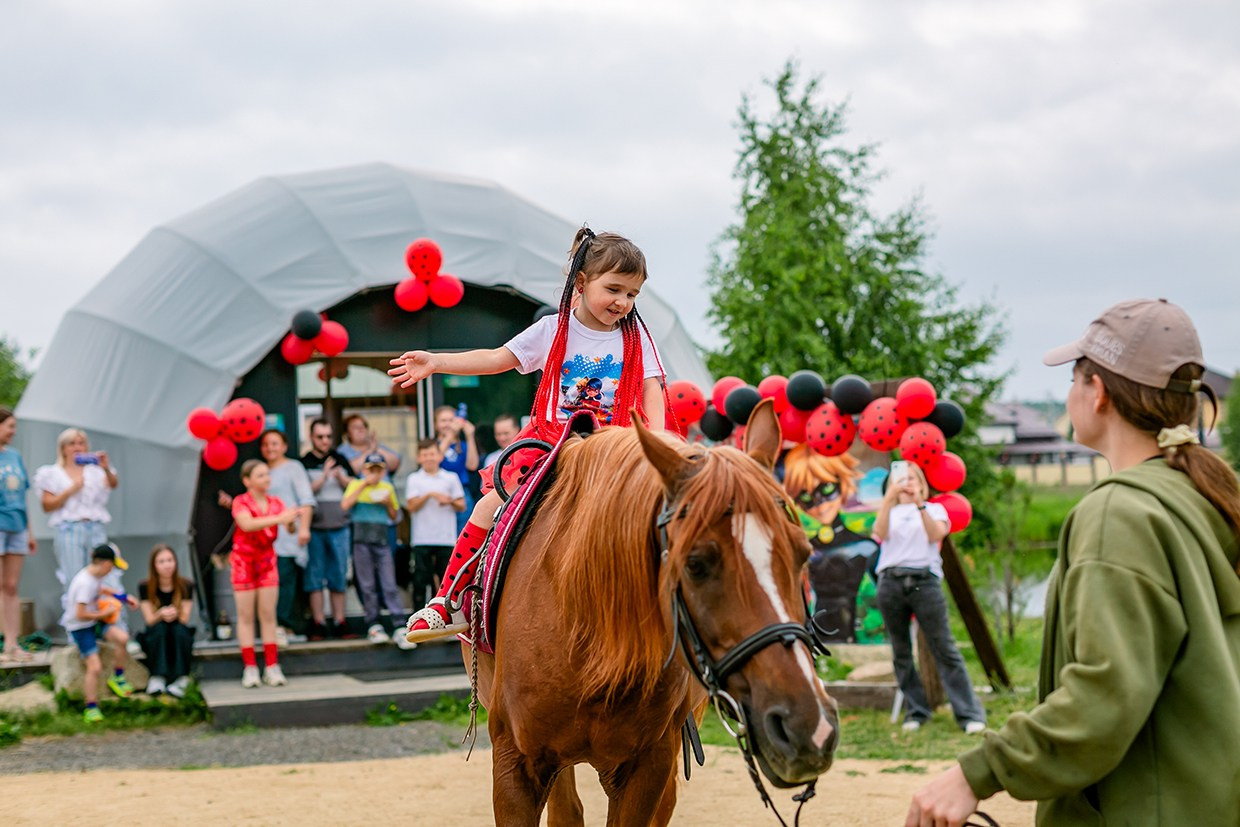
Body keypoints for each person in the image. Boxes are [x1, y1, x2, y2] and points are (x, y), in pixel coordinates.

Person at [907, 298, 1240, 827]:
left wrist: (975, 774)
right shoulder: (1206, 496)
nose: (1070, 394)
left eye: (1073, 379)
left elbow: (1104, 697)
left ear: (1098, 392)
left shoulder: (1119, 513)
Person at [392, 227, 667, 642]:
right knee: (489, 505)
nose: (622, 302)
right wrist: (438, 362)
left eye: (632, 294)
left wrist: (657, 444)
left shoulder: (637, 338)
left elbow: (652, 389)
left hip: (614, 448)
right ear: (581, 282)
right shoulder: (552, 330)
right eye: (613, 289)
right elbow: (497, 358)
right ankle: (451, 600)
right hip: (553, 446)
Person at [874, 461, 986, 734]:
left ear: (922, 483)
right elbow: (880, 532)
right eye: (902, 479)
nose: (907, 483)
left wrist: (919, 504)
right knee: (901, 651)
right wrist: (889, 499)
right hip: (890, 581)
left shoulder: (934, 509)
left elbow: (936, 534)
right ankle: (916, 710)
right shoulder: (889, 511)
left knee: (943, 647)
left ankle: (969, 713)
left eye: (913, 478)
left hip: (924, 582)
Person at [229, 459, 299, 688]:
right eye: (260, 475)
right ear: (247, 481)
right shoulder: (240, 502)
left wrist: (291, 521)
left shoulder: (276, 502)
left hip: (267, 562)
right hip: (244, 562)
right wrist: (281, 518)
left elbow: (289, 528)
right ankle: (250, 667)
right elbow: (247, 525)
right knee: (246, 615)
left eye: (267, 474)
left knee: (268, 614)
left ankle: (271, 665)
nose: (266, 479)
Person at [34, 428, 120, 611]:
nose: (77, 447)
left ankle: (108, 620)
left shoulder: (96, 470)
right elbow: (47, 505)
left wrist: (105, 467)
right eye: (72, 443)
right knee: (74, 578)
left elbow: (113, 484)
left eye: (81, 443)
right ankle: (76, 622)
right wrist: (71, 489)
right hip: (69, 529)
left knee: (105, 574)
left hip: (95, 527)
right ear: (63, 448)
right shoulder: (52, 473)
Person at [60, 543, 137, 722]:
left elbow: (101, 589)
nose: (112, 571)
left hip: (94, 621)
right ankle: (91, 707)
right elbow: (79, 615)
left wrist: (123, 598)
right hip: (81, 628)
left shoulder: (94, 576)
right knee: (94, 667)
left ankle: (117, 677)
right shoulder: (84, 583)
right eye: (112, 566)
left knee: (122, 638)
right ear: (106, 564)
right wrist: (105, 613)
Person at [300, 418, 356, 640]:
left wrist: (341, 477)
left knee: (339, 575)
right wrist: (323, 476)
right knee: (314, 577)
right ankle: (318, 623)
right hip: (314, 529)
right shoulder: (304, 462)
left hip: (340, 527)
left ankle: (340, 621)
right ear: (311, 438)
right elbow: (303, 492)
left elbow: (355, 488)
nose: (325, 441)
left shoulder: (340, 459)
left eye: (328, 437)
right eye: (320, 437)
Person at [258, 429, 314, 644]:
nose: (270, 448)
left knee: (286, 581)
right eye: (266, 444)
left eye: (274, 443)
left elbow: (306, 500)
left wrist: (304, 528)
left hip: (288, 536)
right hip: (265, 538)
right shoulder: (261, 470)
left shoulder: (293, 467)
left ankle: (285, 626)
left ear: (284, 446)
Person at [342, 453, 405, 643]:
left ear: (383, 472)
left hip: (382, 540)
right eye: (371, 470)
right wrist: (364, 484)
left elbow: (394, 516)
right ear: (364, 470)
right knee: (367, 584)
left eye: (378, 470)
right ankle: (373, 623)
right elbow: (345, 505)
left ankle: (399, 623)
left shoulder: (387, 487)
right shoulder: (355, 484)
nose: (375, 474)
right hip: (361, 540)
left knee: (389, 583)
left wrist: (388, 503)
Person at [405, 438, 466, 613]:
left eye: (432, 454)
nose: (429, 458)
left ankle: (445, 618)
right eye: (425, 455)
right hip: (421, 539)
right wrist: (430, 495)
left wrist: (448, 501)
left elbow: (461, 505)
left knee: (446, 583)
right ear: (419, 458)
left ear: (439, 456)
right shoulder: (414, 478)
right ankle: (417, 618)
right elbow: (411, 506)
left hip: (446, 538)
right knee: (420, 581)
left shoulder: (451, 477)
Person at [0, 407, 38, 663]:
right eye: (10, 426)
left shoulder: (14, 456)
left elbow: (23, 496)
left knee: (11, 586)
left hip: (17, 526)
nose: (14, 431)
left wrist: (30, 531)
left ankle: (12, 644)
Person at [137, 544, 196, 697]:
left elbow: (184, 618)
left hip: (177, 628)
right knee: (159, 629)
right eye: (161, 561)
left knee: (179, 631)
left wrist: (176, 613)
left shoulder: (186, 585)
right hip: (157, 630)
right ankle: (157, 677)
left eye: (170, 560)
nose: (167, 565)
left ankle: (182, 678)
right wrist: (161, 614)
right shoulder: (145, 586)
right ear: (154, 565)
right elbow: (149, 620)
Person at [433, 405, 480, 533]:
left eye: (451, 420)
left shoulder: (463, 445)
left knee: (463, 533)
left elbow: (472, 465)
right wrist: (450, 436)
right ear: (436, 424)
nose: (448, 424)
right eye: (443, 421)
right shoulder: (432, 445)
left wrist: (470, 436)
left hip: (462, 492)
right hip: (440, 491)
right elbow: (436, 459)